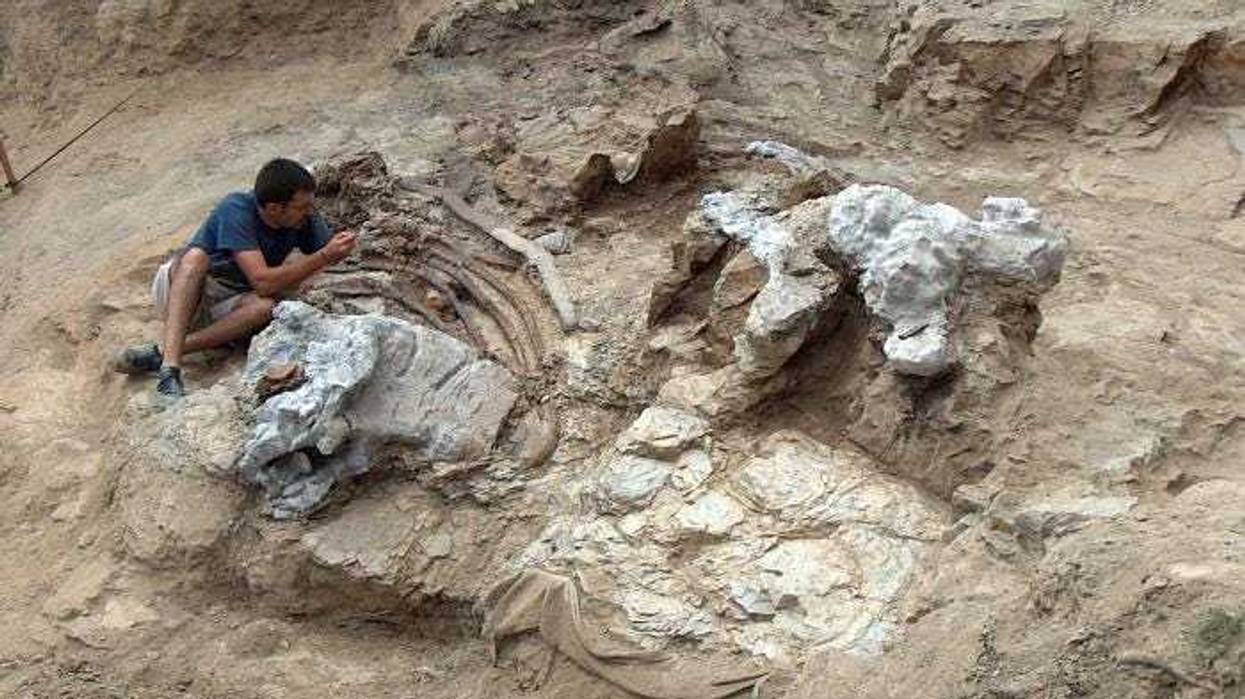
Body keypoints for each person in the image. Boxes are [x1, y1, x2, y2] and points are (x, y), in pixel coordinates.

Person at [112, 158, 357, 397]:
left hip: (231, 302)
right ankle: (170, 368)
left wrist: (335, 248)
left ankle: (164, 350)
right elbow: (262, 281)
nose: (308, 212)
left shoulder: (300, 220)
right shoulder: (236, 208)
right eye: (301, 207)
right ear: (274, 208)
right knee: (195, 257)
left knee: (264, 307)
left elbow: (327, 256)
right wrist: (324, 255)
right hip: (189, 291)